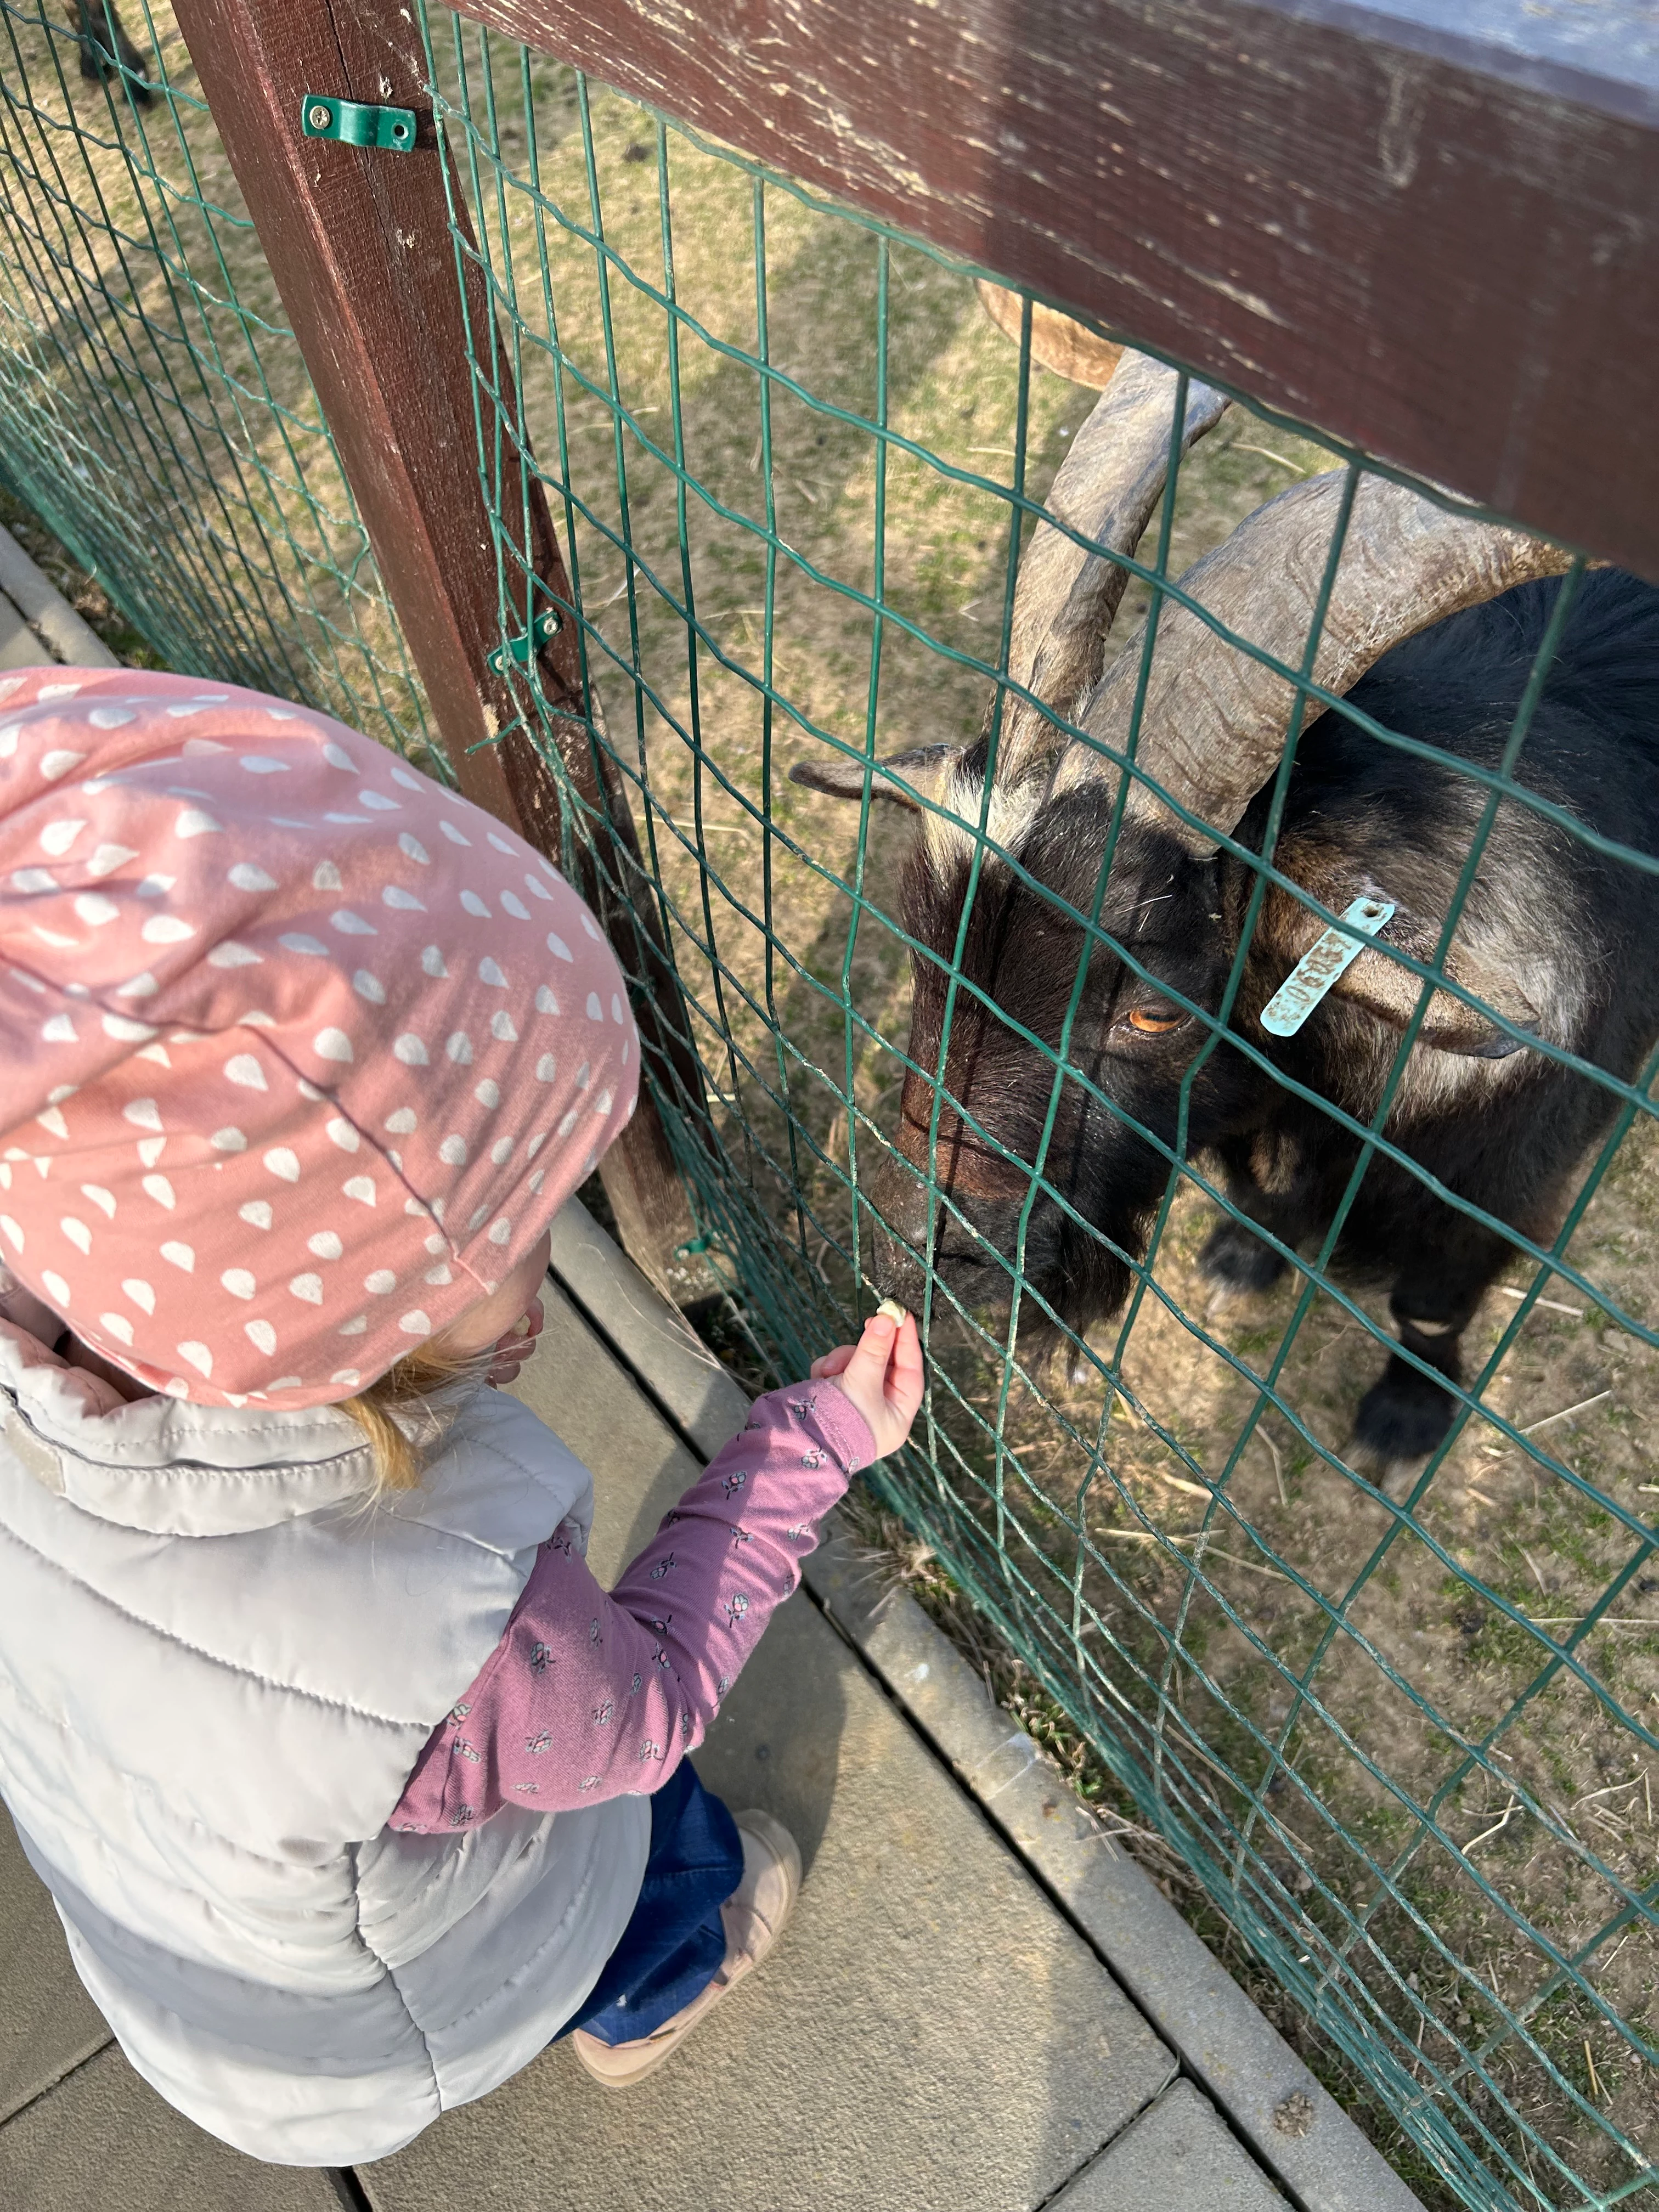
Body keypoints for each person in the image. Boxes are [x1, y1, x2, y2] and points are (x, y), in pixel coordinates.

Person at [0, 667, 923, 2165]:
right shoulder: (445, 1640)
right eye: (525, 1213)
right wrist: (807, 1442)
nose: (554, 1235)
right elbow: (646, 1704)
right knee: (638, 1821)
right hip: (400, 2001)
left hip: (175, 1944)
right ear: (342, 1317)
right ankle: (650, 1988)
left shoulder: (74, 1269)